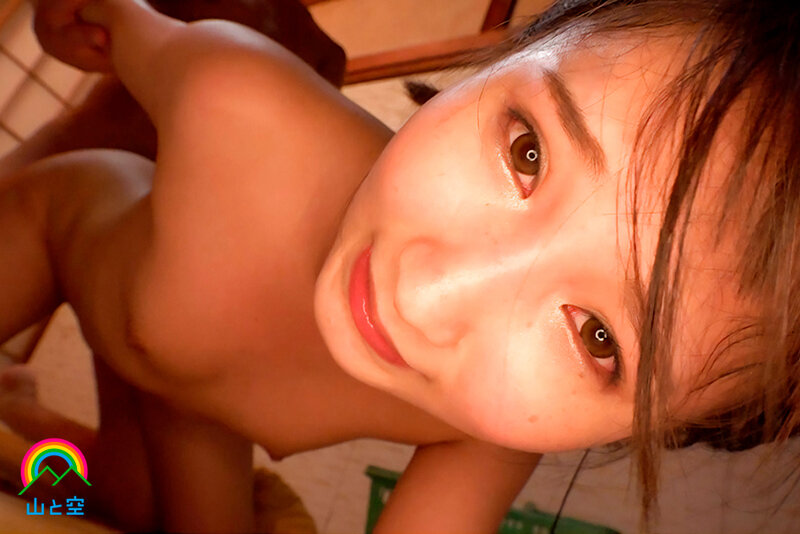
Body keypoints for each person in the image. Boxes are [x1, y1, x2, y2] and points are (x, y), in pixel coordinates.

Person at [1, 0, 798, 531]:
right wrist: (88, 20)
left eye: (598, 337)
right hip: (61, 235)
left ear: (650, 430)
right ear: (503, 57)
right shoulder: (232, 92)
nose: (423, 295)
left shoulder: (493, 436)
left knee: (109, 502)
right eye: (527, 150)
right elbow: (103, 22)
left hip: (190, 408)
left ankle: (19, 412)